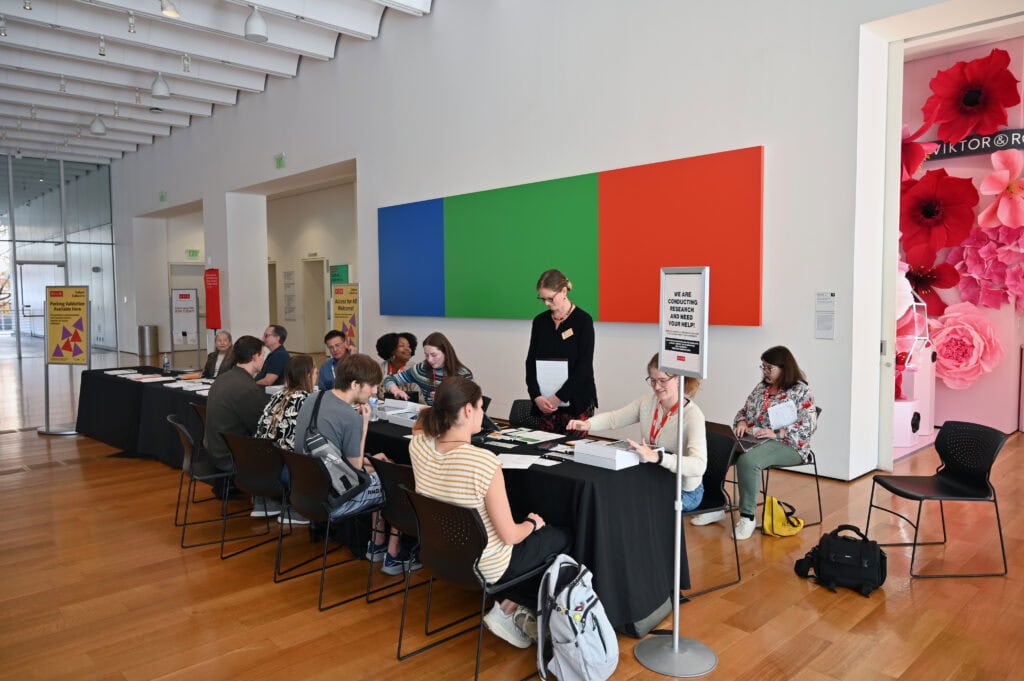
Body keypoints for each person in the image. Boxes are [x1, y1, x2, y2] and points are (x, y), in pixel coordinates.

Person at [410, 376, 571, 649]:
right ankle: (510, 608)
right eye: (481, 407)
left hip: (440, 553)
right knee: (562, 536)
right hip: (487, 567)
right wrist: (532, 523)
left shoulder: (419, 446)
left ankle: (513, 605)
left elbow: (420, 423)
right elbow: (510, 536)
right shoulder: (483, 461)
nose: (484, 414)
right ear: (468, 410)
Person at [293, 354, 416, 573]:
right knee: (397, 483)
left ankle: (376, 544)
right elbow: (356, 469)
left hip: (305, 490)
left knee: (379, 465)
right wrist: (364, 424)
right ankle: (393, 554)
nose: (374, 391)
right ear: (355, 384)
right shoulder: (349, 417)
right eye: (372, 386)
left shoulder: (315, 398)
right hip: (333, 500)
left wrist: (372, 461)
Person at [691, 345, 817, 540]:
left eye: (770, 368)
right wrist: (741, 421)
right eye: (763, 367)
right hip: (756, 438)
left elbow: (809, 426)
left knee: (748, 461)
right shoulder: (761, 389)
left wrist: (776, 433)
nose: (765, 372)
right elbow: (744, 411)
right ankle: (714, 505)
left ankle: (747, 518)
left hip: (789, 444)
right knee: (716, 450)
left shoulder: (801, 391)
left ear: (784, 368)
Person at [568, 353, 707, 510]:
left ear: (679, 379)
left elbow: (699, 466)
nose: (656, 387)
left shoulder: (692, 415)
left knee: (633, 505)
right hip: (652, 478)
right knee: (610, 493)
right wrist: (588, 424)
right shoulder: (648, 402)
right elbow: (615, 418)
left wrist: (658, 457)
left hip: (684, 491)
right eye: (653, 380)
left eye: (662, 381)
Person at [525, 269, 597, 432]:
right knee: (543, 451)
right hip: (545, 403)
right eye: (542, 299)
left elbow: (584, 367)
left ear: (564, 291)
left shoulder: (583, 321)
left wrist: (559, 397)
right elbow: (530, 362)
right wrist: (536, 396)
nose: (547, 303)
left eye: (550, 298)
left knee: (571, 453)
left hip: (576, 401)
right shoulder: (540, 322)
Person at [252, 355, 318, 520]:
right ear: (309, 375)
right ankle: (297, 509)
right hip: (285, 472)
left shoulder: (278, 395)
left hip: (260, 466)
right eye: (316, 371)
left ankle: (264, 501)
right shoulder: (307, 401)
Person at [204, 335, 270, 494]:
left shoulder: (223, 378)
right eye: (262, 355)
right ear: (255, 357)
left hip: (213, 447)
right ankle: (269, 501)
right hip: (229, 455)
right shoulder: (247, 388)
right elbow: (261, 426)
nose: (263, 359)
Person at [382, 331, 472, 406]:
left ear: (445, 352)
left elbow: (471, 403)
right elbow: (389, 379)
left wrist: (446, 399)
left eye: (434, 355)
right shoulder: (421, 369)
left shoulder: (463, 374)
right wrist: (396, 390)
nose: (429, 360)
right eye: (426, 355)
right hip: (432, 419)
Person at [375, 331, 418, 399]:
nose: (408, 349)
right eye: (402, 346)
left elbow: (420, 399)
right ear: (391, 349)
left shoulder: (415, 370)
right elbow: (371, 395)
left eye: (409, 346)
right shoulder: (378, 369)